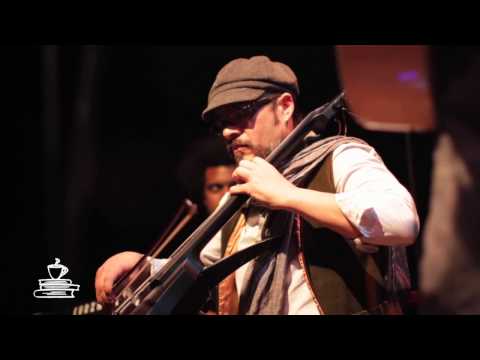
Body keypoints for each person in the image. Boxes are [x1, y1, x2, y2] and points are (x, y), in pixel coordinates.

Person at [95, 55, 419, 314]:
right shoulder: (241, 192)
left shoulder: (340, 157)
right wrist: (145, 267)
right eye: (222, 123)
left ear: (285, 106)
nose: (227, 131)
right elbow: (209, 268)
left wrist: (288, 195)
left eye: (240, 114)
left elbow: (400, 221)